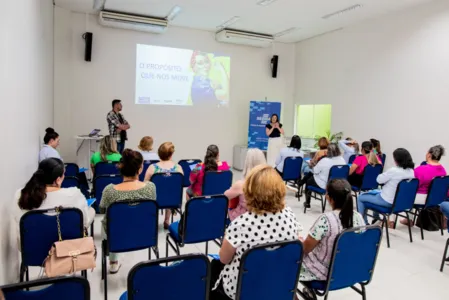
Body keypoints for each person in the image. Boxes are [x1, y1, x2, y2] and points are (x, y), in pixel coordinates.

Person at [210, 165, 303, 300]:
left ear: (250, 191)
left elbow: (224, 259)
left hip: (242, 290)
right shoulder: (289, 215)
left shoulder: (241, 224)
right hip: (276, 281)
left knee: (214, 267)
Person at [100, 149, 156, 273]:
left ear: (120, 168)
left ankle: (113, 262)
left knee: (106, 221)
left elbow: (102, 209)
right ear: (140, 169)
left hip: (117, 236)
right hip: (144, 234)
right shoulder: (151, 187)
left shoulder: (109, 190)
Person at [299, 179, 365, 282]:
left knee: (288, 262)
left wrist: (298, 242)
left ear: (331, 199)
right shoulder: (359, 217)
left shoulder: (326, 220)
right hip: (349, 269)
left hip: (324, 272)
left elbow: (305, 249)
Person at [14, 158, 95, 232]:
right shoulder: (74, 194)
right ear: (58, 180)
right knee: (90, 211)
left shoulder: (21, 193)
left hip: (32, 245)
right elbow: (83, 222)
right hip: (67, 245)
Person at [357, 148, 415, 225]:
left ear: (397, 160)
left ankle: (363, 224)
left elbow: (378, 180)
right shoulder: (411, 172)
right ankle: (376, 219)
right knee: (377, 192)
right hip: (401, 202)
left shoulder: (394, 170)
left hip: (387, 201)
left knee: (360, 197)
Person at [400, 145, 446, 226]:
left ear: (429, 155)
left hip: (421, 199)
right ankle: (408, 219)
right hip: (434, 199)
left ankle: (391, 221)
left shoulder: (422, 169)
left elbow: (410, 184)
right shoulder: (443, 170)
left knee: (398, 193)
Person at [144, 142, 183, 229]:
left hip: (156, 200)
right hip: (173, 200)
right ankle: (167, 220)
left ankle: (153, 221)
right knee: (169, 191)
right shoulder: (178, 168)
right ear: (171, 154)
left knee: (160, 192)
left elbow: (145, 185)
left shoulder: (152, 167)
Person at [224, 148, 266, 221]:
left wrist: (233, 188)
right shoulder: (270, 184)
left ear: (247, 162)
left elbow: (224, 197)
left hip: (243, 221)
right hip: (264, 220)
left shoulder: (241, 185)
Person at [301, 143, 346, 209]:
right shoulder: (342, 160)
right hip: (339, 184)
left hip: (325, 184)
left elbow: (315, 171)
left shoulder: (325, 160)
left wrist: (313, 164)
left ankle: (307, 203)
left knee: (308, 181)